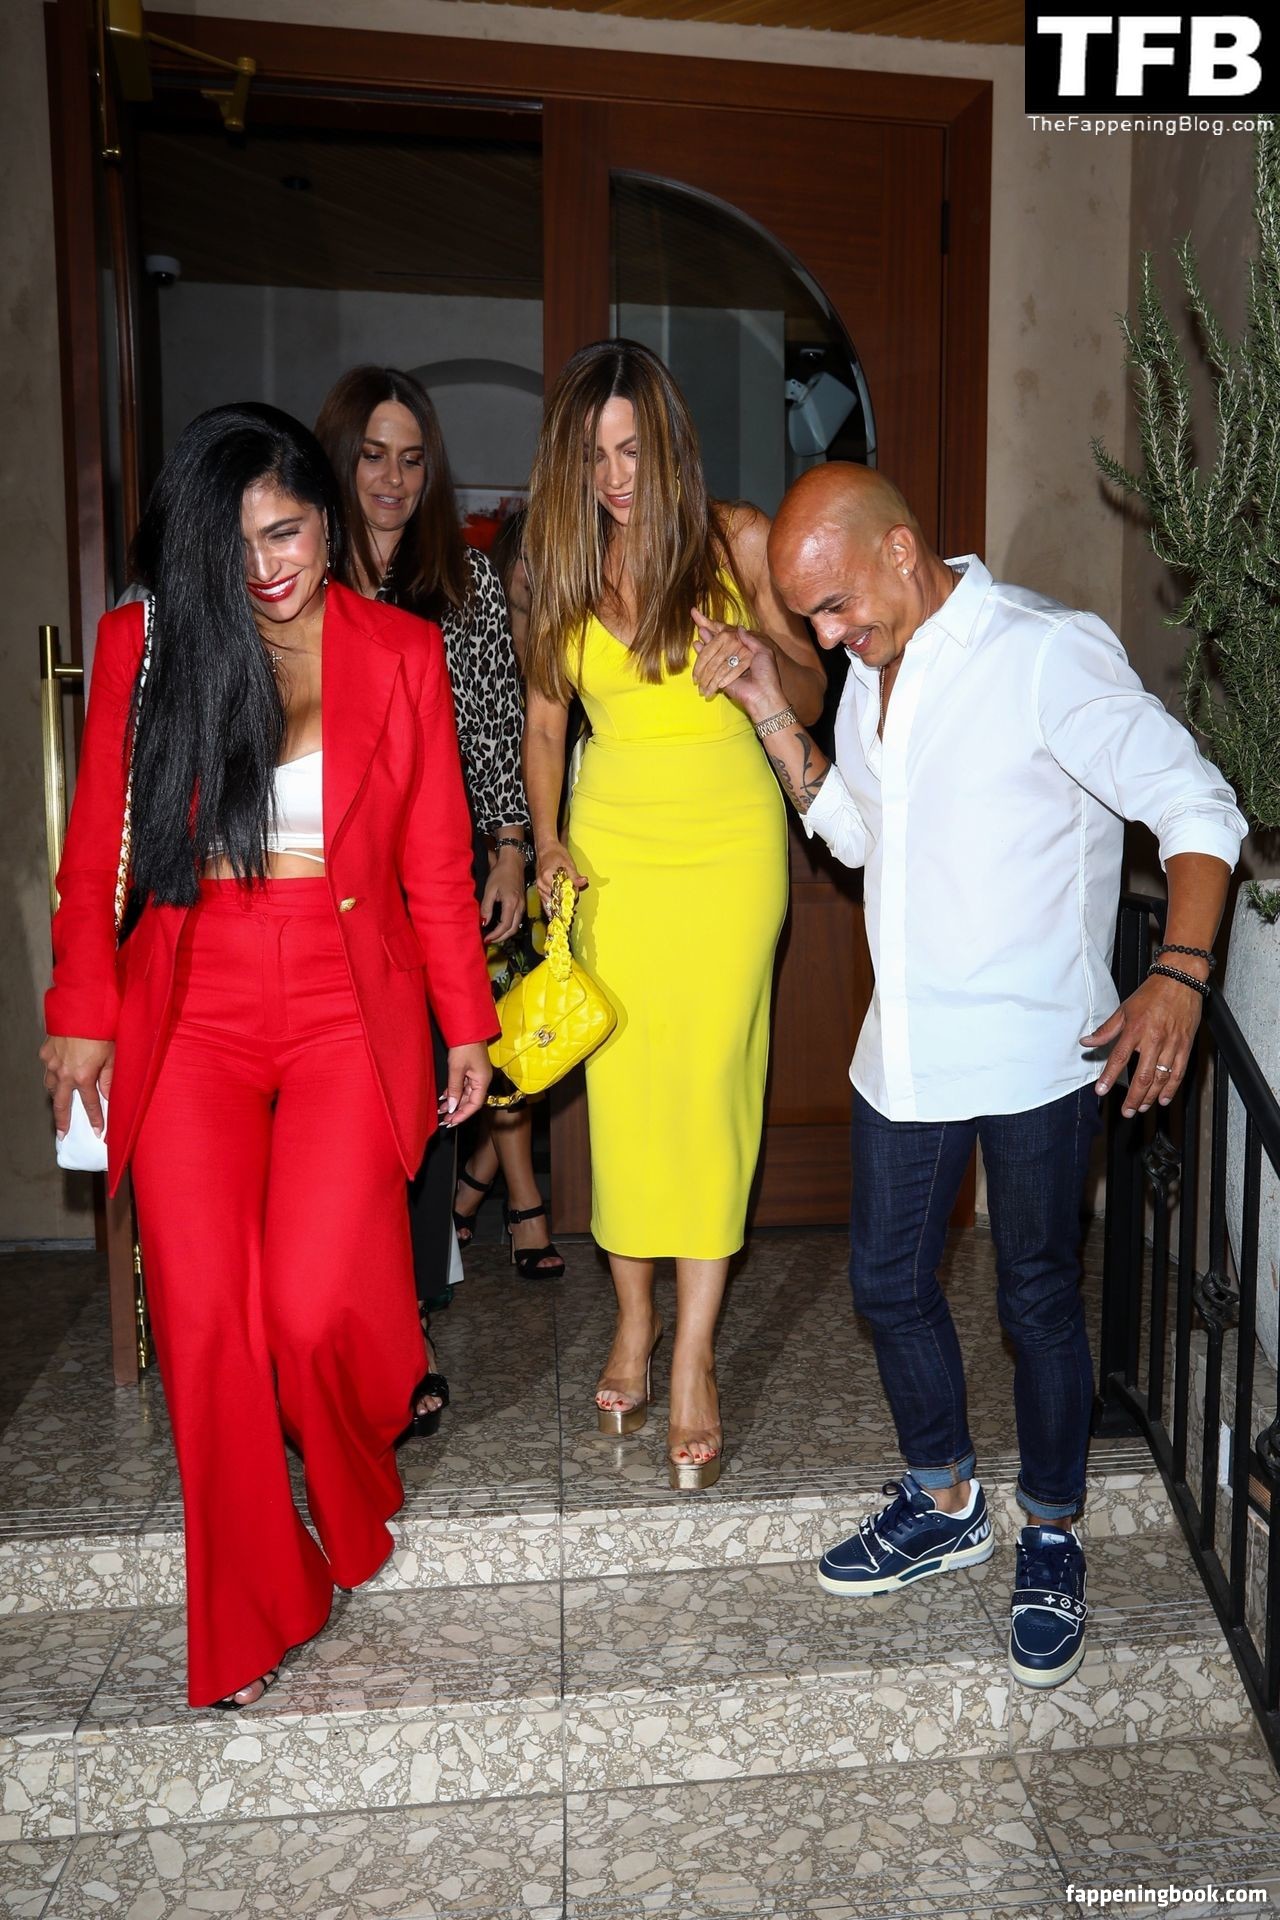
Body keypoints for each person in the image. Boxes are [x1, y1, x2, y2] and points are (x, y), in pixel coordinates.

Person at [700, 460, 1246, 1681]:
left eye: (834, 607)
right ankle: (944, 1501)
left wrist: (1177, 973)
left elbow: (1195, 803)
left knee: (1035, 1298)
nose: (826, 637)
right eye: (808, 620)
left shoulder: (1045, 652)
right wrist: (766, 704)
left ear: (899, 550)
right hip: (903, 1052)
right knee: (886, 1286)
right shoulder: (867, 671)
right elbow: (859, 835)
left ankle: (1050, 1532)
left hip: (1036, 1051)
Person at [39, 404, 495, 1710]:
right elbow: (97, 840)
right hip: (191, 992)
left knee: (311, 1307)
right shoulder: (149, 645)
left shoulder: (399, 651)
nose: (264, 567)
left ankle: (355, 1466)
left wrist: (467, 1020)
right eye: (235, 543)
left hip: (347, 996)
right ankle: (251, 1612)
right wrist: (80, 1002)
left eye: (286, 532)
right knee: (205, 1325)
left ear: (329, 519)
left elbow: (436, 861)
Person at [521, 339, 826, 1489]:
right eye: (592, 456)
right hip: (614, 855)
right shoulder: (558, 563)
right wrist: (547, 840)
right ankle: (633, 1318)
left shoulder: (737, 540)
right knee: (626, 1093)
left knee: (709, 1087)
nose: (613, 478)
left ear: (669, 443)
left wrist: (758, 655)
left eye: (630, 451)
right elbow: (545, 724)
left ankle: (692, 1352)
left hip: (729, 849)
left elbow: (811, 692)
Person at [315, 368, 562, 1282]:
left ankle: (413, 1301)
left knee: (431, 1085)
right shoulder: (300, 582)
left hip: (435, 876)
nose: (393, 478)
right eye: (374, 456)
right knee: (342, 1095)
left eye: (413, 460)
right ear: (339, 460)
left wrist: (510, 850)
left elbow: (497, 726)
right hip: (327, 876)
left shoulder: (465, 582)